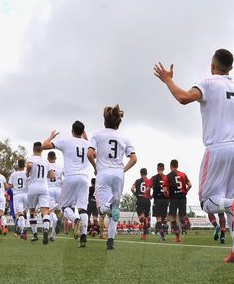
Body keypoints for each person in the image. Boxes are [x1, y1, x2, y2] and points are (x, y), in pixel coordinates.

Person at [154, 48, 234, 263]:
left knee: (208, 202)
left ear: (212, 65)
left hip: (218, 148)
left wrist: (168, 80)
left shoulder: (207, 82)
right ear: (231, 68)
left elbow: (183, 98)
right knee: (231, 200)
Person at [87, 104, 138, 250]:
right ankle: (110, 241)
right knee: (116, 208)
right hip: (118, 175)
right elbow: (134, 158)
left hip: (103, 174)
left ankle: (110, 206)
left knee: (102, 209)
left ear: (105, 120)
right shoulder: (124, 138)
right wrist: (123, 170)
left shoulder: (97, 134)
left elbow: (89, 154)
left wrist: (96, 168)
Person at [44, 121, 93, 248]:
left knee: (66, 208)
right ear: (82, 132)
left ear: (72, 130)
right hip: (84, 179)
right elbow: (94, 154)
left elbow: (44, 146)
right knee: (83, 208)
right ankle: (83, 237)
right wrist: (86, 138)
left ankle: (75, 220)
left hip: (70, 177)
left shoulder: (66, 141)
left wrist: (51, 137)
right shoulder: (88, 144)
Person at [24, 142, 54, 244]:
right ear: (41, 150)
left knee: (32, 211)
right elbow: (53, 175)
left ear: (33, 148)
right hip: (44, 188)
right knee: (45, 211)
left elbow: (29, 165)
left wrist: (28, 173)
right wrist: (45, 175)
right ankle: (46, 229)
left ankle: (35, 234)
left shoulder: (30, 158)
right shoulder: (45, 161)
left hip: (33, 188)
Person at [166, 159, 192, 243]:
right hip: (182, 197)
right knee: (181, 217)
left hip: (173, 198)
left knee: (173, 218)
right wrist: (185, 191)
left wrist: (168, 196)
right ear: (177, 166)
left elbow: (165, 191)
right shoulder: (183, 175)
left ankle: (177, 237)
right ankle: (186, 221)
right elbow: (190, 185)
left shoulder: (168, 176)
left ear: (170, 166)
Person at [8, 159, 28, 239]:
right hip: (26, 195)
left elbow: (9, 186)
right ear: (25, 165)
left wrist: (9, 186)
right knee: (24, 213)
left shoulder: (13, 174)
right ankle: (24, 228)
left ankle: (23, 230)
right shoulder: (27, 174)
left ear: (17, 165)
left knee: (19, 215)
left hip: (17, 196)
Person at [131, 167, 153, 240]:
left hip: (140, 200)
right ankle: (144, 235)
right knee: (145, 218)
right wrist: (151, 196)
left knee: (141, 219)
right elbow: (152, 189)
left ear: (140, 174)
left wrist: (136, 194)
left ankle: (145, 220)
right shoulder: (149, 181)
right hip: (147, 200)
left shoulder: (137, 181)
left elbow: (132, 188)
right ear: (146, 173)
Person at [150, 162, 169, 241]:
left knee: (158, 219)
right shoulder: (167, 177)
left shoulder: (153, 178)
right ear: (164, 169)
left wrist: (150, 195)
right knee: (164, 218)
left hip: (157, 200)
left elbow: (148, 187)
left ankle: (162, 236)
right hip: (165, 200)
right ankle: (164, 233)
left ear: (157, 169)